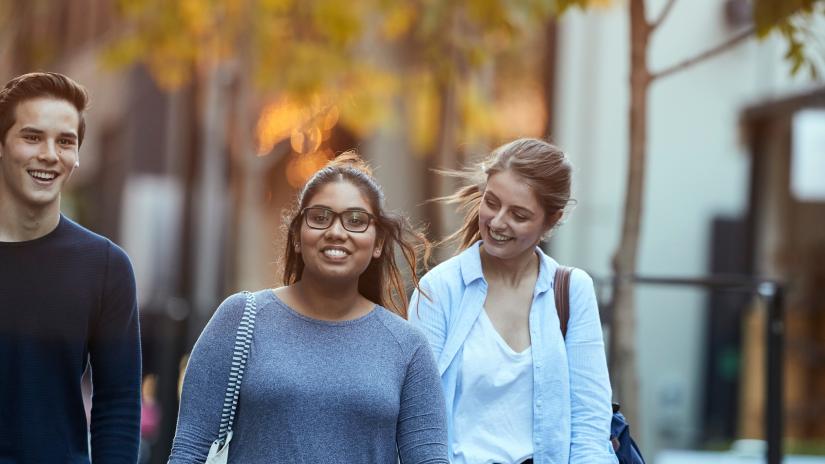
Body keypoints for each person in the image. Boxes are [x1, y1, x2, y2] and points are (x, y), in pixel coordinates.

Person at [169, 153, 448, 463]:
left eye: (356, 220)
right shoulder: (240, 319)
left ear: (378, 243)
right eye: (320, 217)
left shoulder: (407, 346)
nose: (336, 232)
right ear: (298, 237)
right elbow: (189, 451)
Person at [409, 138, 617, 464]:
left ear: (552, 220)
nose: (497, 222)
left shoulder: (573, 291)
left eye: (519, 214)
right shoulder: (439, 290)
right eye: (491, 203)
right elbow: (418, 421)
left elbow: (589, 420)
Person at [0, 72, 142, 462]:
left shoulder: (105, 267)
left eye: (65, 141)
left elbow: (118, 402)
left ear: (78, 155)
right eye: (32, 137)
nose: (49, 154)